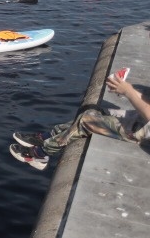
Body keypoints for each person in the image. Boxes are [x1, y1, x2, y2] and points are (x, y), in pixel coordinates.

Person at [9, 71, 150, 170]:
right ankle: (48, 136)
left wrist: (128, 91)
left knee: (87, 121)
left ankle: (40, 154)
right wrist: (122, 87)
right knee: (95, 111)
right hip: (141, 120)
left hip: (145, 132)